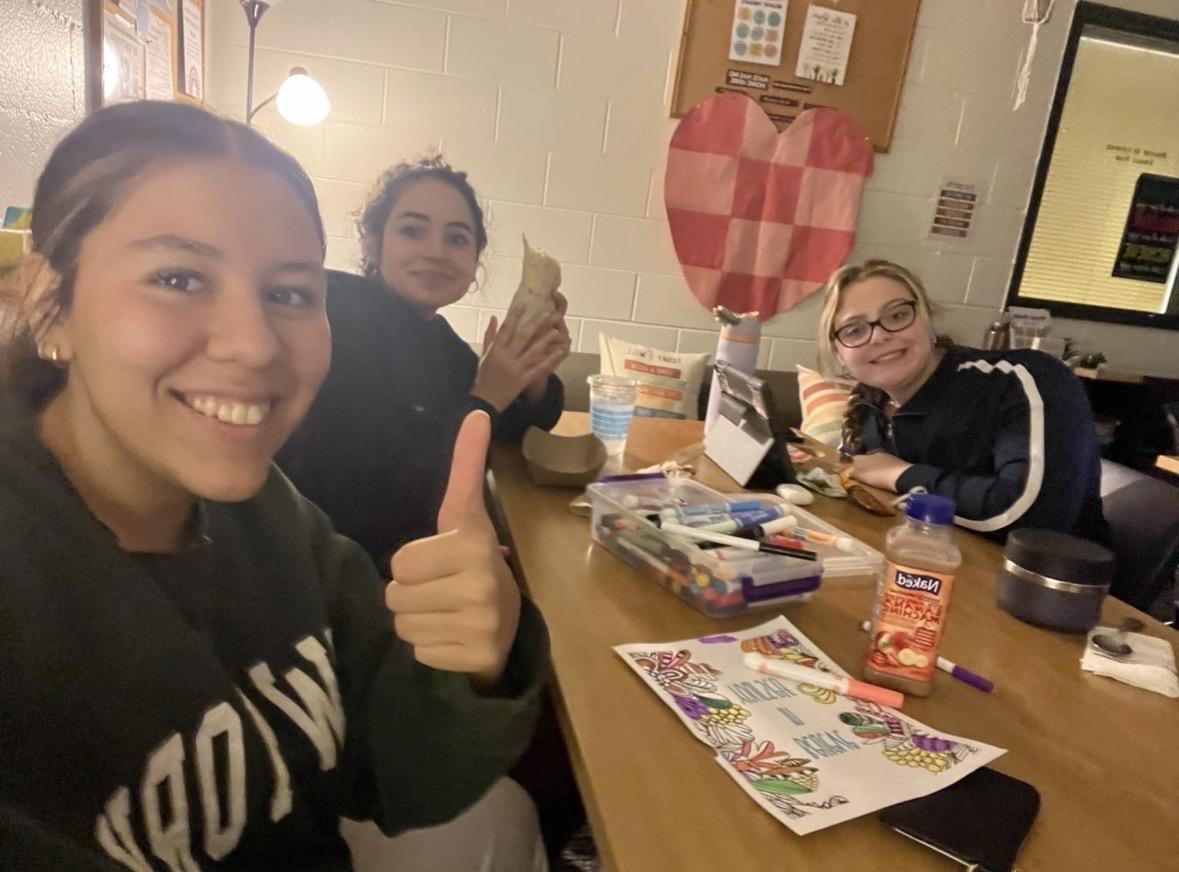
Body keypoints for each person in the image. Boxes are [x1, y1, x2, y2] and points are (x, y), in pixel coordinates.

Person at [0, 101, 548, 870]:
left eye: (288, 294)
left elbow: (397, 770)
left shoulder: (277, 522)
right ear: (48, 304)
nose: (254, 345)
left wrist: (480, 659)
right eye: (179, 278)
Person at [277, 156, 570, 571]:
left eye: (457, 238)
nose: (436, 252)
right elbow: (384, 497)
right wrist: (489, 392)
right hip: (346, 577)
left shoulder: (436, 336)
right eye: (413, 231)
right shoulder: (338, 323)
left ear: (475, 259)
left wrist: (531, 376)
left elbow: (505, 431)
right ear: (372, 243)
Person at [817, 259, 1108, 543]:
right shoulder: (869, 404)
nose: (879, 336)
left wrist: (898, 474)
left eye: (897, 316)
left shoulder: (1023, 378)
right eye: (854, 330)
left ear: (927, 318)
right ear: (839, 353)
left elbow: (1034, 522)